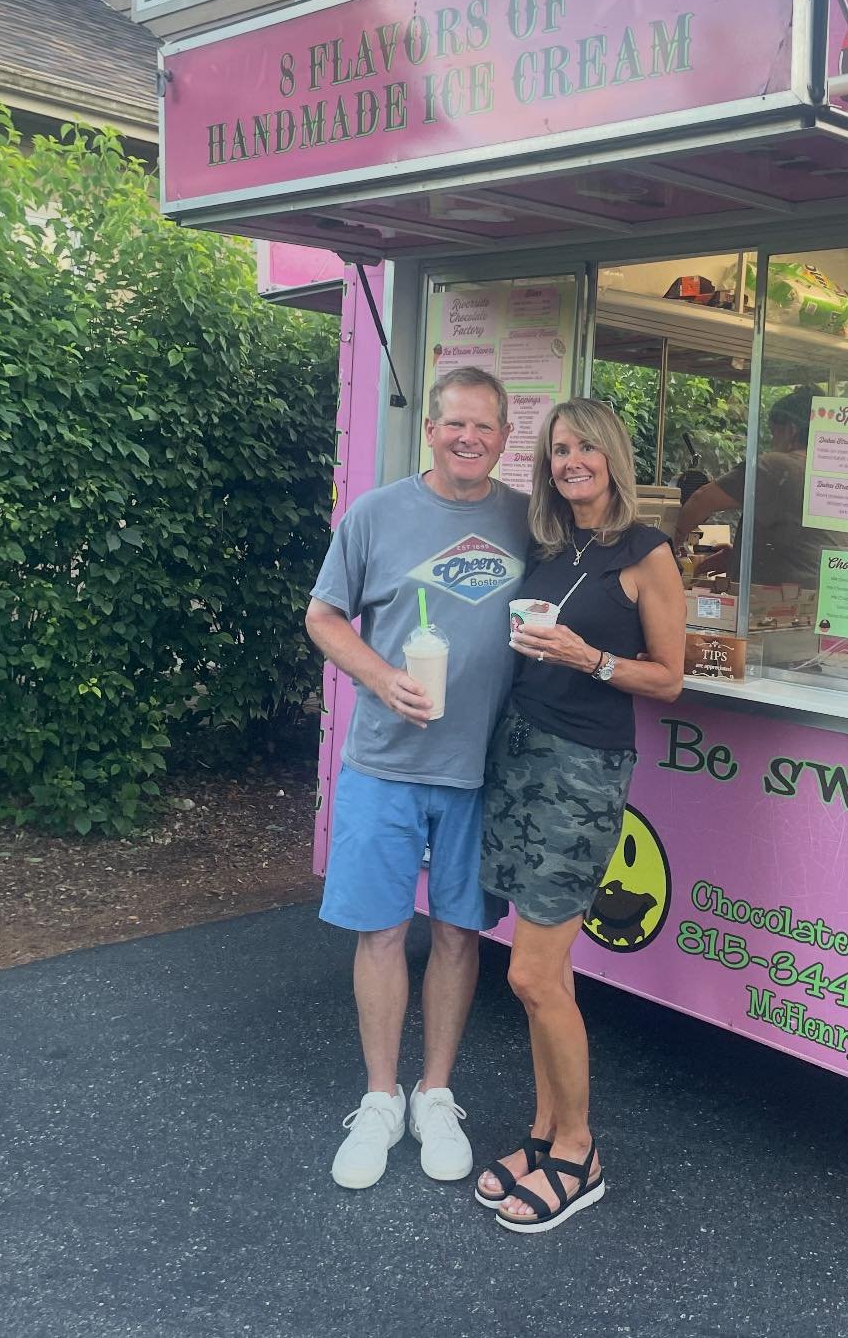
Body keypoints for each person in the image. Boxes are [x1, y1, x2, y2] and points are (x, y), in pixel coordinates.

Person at [305, 367, 528, 1192]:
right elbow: (323, 614)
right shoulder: (375, 515)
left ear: (507, 439)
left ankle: (436, 1092)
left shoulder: (521, 520)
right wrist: (376, 675)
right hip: (386, 765)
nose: (469, 438)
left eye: (486, 427)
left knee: (462, 933)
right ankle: (378, 1097)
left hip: (479, 770)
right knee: (382, 931)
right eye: (455, 424)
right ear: (429, 430)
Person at [474, 398, 685, 1233]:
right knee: (544, 976)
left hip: (583, 770)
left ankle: (580, 1151)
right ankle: (542, 1129)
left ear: (612, 457)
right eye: (560, 449)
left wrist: (591, 658)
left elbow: (669, 678)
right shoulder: (550, 545)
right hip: (518, 756)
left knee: (530, 972)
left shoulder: (645, 552)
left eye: (586, 447)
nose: (572, 461)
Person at [671, 384, 848, 584]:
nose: (771, 439)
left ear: (791, 430)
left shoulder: (778, 466)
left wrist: (670, 548)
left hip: (795, 601)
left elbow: (701, 500)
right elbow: (807, 543)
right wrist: (739, 558)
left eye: (773, 432)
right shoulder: (838, 474)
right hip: (836, 594)